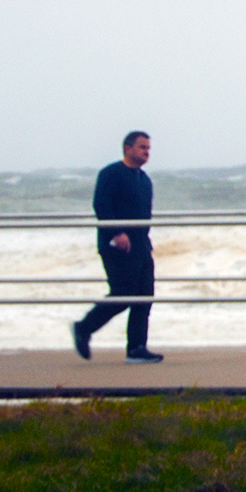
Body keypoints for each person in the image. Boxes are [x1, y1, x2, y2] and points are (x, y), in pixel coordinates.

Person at [73, 131, 163, 363]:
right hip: (116, 246)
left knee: (144, 298)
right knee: (123, 294)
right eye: (142, 147)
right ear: (127, 148)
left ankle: (136, 348)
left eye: (148, 148)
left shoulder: (144, 179)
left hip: (142, 246)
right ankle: (84, 327)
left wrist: (144, 240)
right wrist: (116, 233)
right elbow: (101, 205)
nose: (146, 152)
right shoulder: (111, 173)